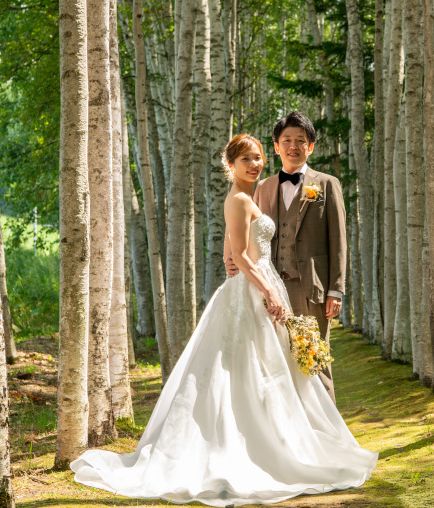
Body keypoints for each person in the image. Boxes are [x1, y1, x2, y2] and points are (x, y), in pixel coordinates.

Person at [70, 134, 377, 506]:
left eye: (259, 157)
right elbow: (241, 257)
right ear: (229, 164)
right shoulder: (238, 199)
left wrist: (262, 280)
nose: (255, 164)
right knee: (238, 372)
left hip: (264, 284)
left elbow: (244, 250)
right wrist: (266, 290)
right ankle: (242, 450)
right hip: (251, 291)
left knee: (271, 371)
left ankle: (279, 441)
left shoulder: (256, 194)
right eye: (246, 159)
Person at [226, 112, 345, 402]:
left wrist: (335, 289)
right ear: (276, 147)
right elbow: (242, 227)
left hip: (312, 289)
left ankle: (327, 437)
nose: (294, 146)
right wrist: (229, 256)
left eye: (300, 141)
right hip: (270, 289)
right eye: (286, 140)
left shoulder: (327, 184)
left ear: (311, 146)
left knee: (316, 361)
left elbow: (338, 240)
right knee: (278, 364)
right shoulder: (263, 186)